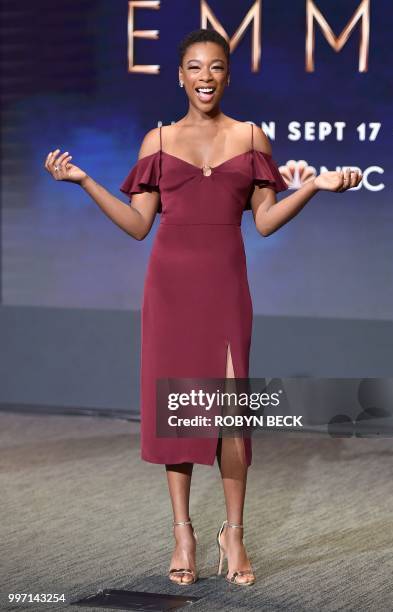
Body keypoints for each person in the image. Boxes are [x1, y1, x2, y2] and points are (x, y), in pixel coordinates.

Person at [44, 28, 362, 587]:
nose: (205, 77)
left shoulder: (251, 137)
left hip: (225, 288)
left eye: (216, 67)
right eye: (195, 67)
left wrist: (313, 188)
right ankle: (183, 532)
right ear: (180, 76)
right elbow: (139, 226)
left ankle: (233, 534)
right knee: (183, 411)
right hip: (169, 290)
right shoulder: (158, 143)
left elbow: (264, 221)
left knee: (231, 420)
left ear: (228, 74)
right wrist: (84, 180)